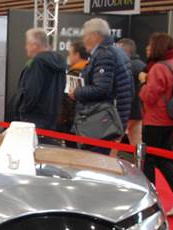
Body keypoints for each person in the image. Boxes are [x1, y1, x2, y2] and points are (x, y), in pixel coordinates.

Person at [139, 33, 173, 217]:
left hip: (155, 120)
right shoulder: (172, 65)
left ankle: (152, 200)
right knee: (161, 159)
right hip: (169, 120)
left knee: (149, 160)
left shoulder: (157, 68)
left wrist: (143, 82)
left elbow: (149, 97)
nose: (147, 48)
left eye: (150, 45)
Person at [70, 18, 133, 150]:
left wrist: (77, 92)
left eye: (85, 36)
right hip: (111, 119)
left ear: (94, 36)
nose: (83, 41)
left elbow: (101, 89)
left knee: (94, 159)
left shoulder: (104, 55)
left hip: (100, 122)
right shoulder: (117, 51)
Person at [12, 28, 66, 130]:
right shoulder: (60, 62)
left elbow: (31, 91)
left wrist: (22, 111)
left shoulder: (37, 63)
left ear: (35, 45)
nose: (25, 47)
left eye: (27, 44)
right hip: (52, 118)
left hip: (33, 119)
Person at [118, 38, 146, 147]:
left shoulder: (124, 66)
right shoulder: (143, 66)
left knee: (114, 143)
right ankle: (139, 159)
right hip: (138, 112)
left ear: (124, 50)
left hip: (124, 111)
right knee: (137, 142)